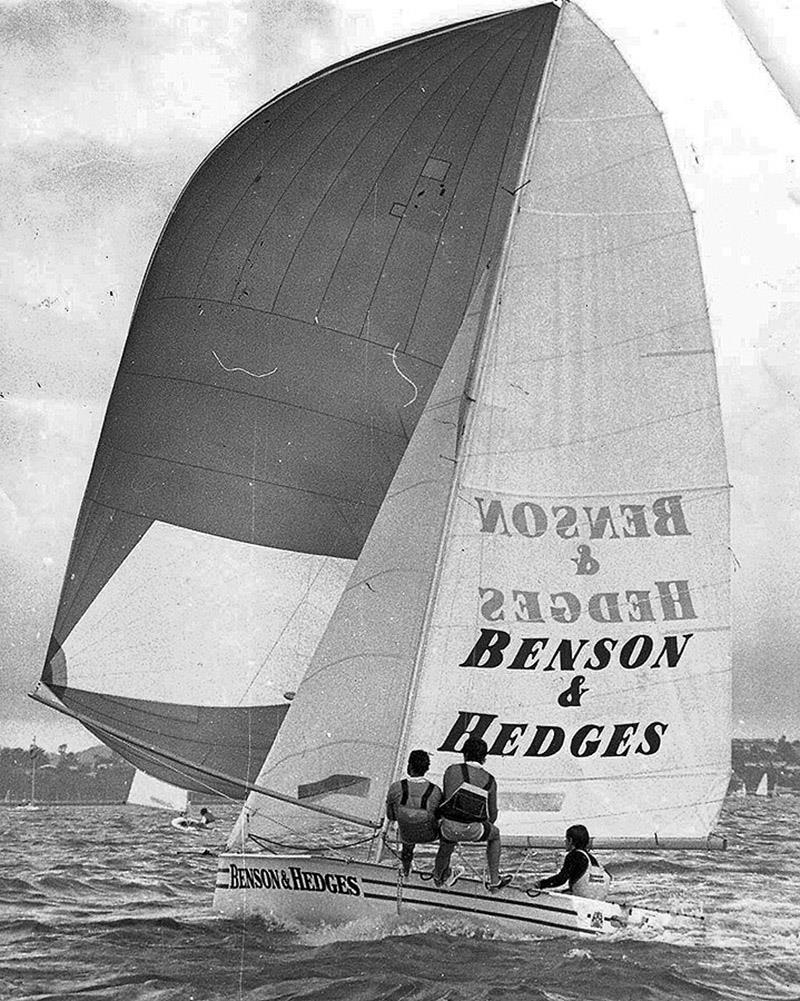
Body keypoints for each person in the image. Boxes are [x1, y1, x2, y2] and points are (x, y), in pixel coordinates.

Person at [433, 737, 512, 892]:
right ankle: (495, 881)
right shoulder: (490, 780)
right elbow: (492, 817)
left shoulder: (452, 770)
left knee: (447, 841)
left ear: (465, 753)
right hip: (473, 830)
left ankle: (438, 877)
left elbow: (448, 799)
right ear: (484, 758)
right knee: (495, 835)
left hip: (449, 828)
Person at [385, 749, 442, 876]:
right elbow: (438, 816)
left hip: (407, 834)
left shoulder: (396, 787)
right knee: (447, 829)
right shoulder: (436, 791)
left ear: (409, 766)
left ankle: (406, 870)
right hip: (429, 835)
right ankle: (442, 871)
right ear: (427, 768)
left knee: (407, 828)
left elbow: (391, 816)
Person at [533, 824, 611, 900]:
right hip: (598, 903)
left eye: (566, 839)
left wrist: (539, 884)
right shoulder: (593, 859)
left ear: (570, 840)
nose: (565, 842)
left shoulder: (574, 855)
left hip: (581, 904)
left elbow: (561, 879)